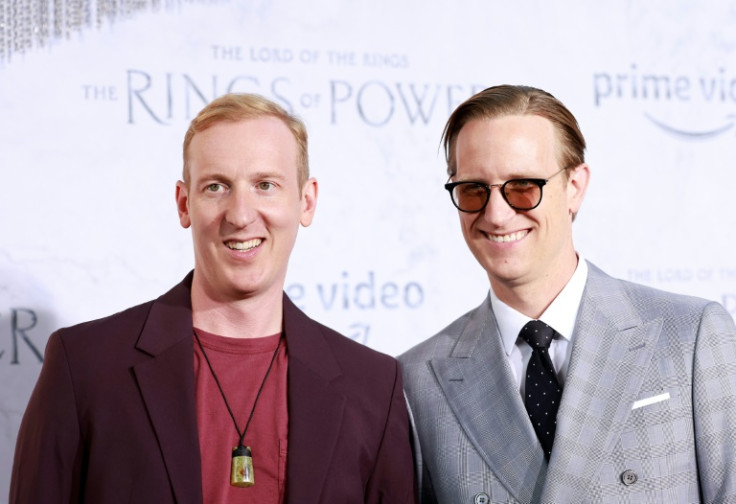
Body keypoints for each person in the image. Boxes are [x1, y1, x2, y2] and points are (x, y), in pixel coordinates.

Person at [10, 93, 416, 503]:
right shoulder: (84, 368)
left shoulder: (374, 388)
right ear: (185, 204)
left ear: (306, 202)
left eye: (265, 185)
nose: (240, 214)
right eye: (216, 187)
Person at [399, 84, 736, 503]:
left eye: (522, 186)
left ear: (575, 185)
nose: (497, 214)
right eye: (473, 190)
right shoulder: (416, 382)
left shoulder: (691, 337)